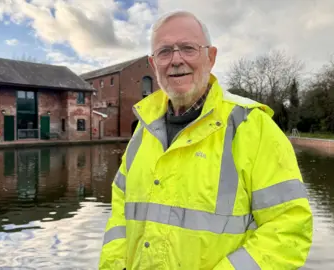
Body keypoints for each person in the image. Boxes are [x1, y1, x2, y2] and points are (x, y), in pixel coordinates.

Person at [99, 10, 313, 270]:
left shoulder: (251, 127)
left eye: (188, 48)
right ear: (154, 65)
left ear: (210, 57)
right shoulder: (143, 131)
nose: (176, 60)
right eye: (164, 52)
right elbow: (120, 210)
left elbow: (288, 228)